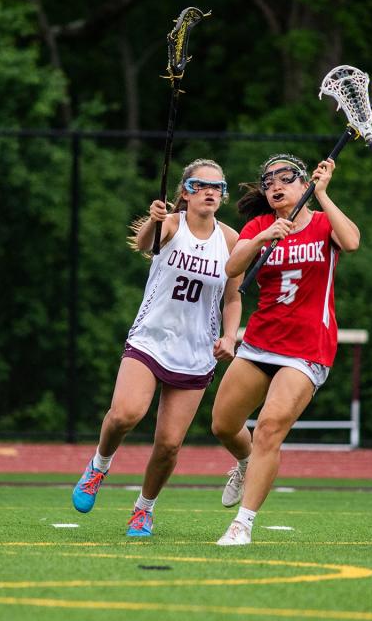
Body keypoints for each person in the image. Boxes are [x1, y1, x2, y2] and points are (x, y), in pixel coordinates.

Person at [71, 158, 242, 537]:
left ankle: (143, 510)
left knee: (168, 446)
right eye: (202, 185)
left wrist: (230, 336)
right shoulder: (170, 224)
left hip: (196, 351)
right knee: (125, 415)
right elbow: (147, 244)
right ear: (186, 191)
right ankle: (99, 466)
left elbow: (232, 299)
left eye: (218, 187)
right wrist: (153, 219)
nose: (211, 191)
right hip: (151, 338)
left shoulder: (231, 241)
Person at [211, 153, 360, 546]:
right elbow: (232, 269)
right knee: (224, 424)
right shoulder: (259, 224)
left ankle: (242, 524)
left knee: (269, 428)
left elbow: (352, 241)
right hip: (261, 341)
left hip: (307, 347)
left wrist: (324, 194)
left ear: (303, 185)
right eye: (268, 180)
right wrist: (261, 238)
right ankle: (244, 464)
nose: (275, 185)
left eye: (286, 177)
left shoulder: (325, 223)